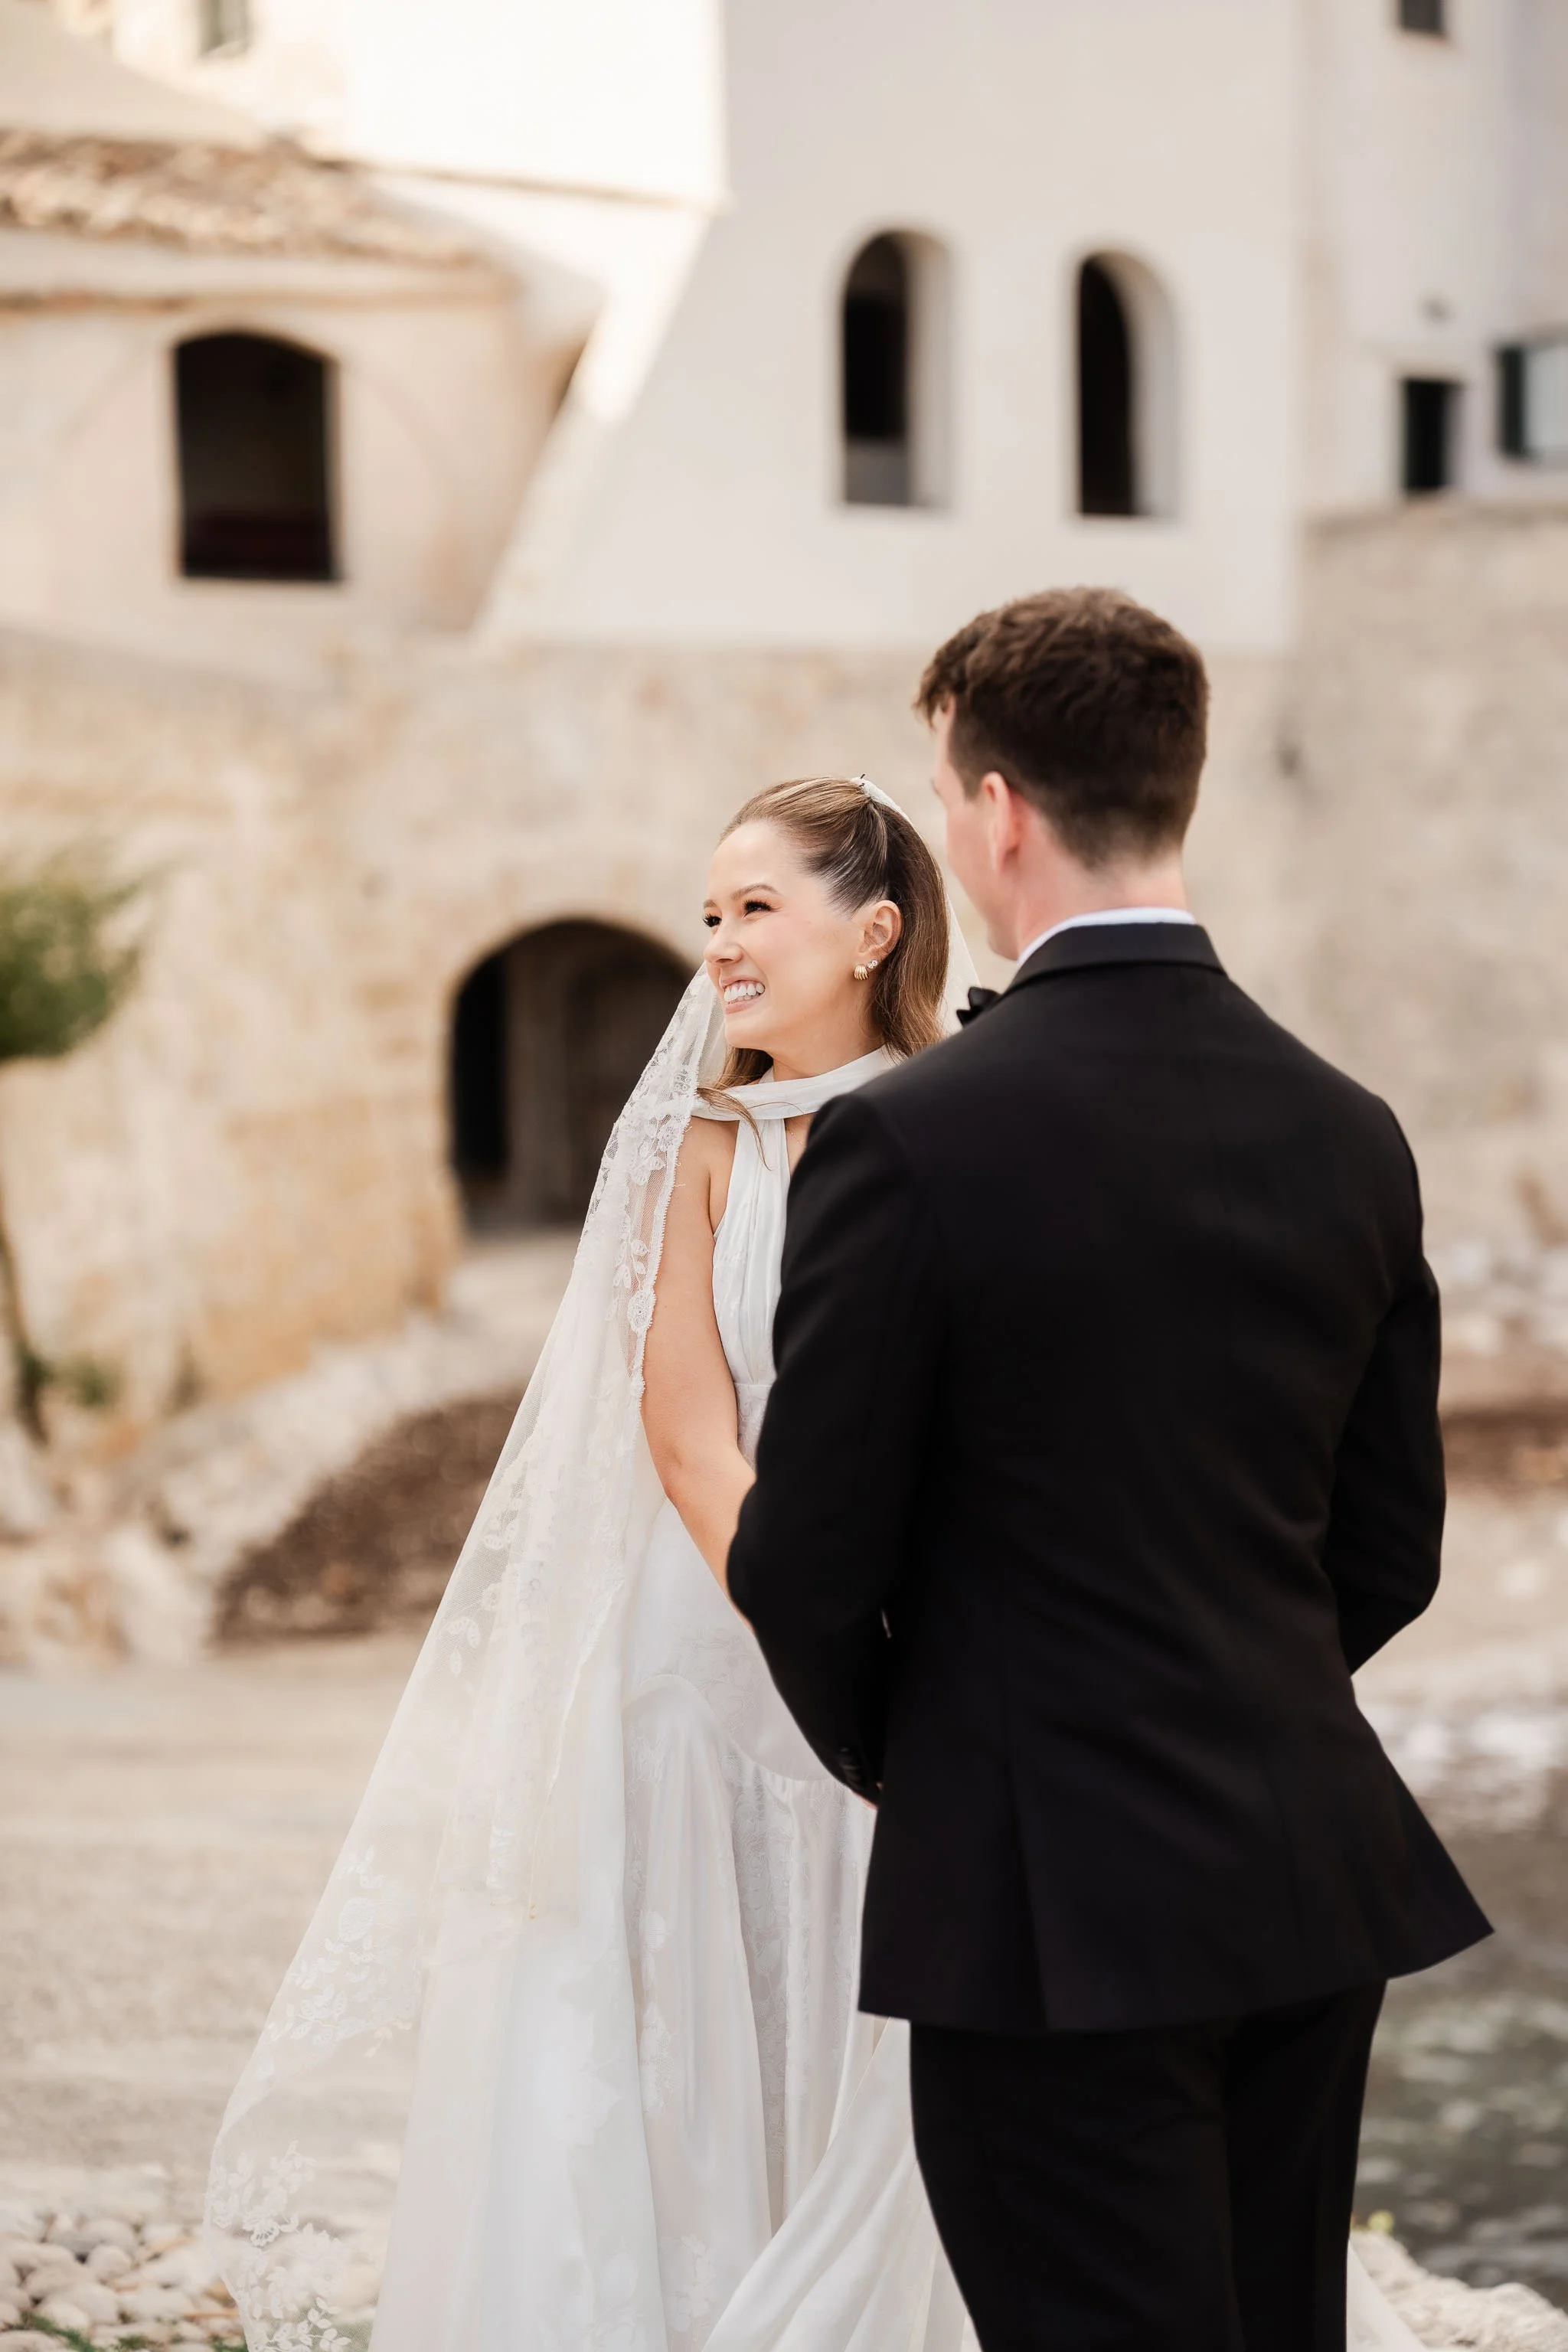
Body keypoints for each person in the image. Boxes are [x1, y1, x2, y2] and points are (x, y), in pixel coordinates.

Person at [727, 588, 1492, 2352]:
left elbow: (806, 1561)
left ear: (992, 809)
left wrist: (940, 1754)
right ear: (1179, 785)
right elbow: (1390, 1546)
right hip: (1302, 1870)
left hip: (1039, 1899)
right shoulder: (1348, 1128)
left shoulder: (904, 1142)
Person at [207, 776, 979, 2352]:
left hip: (922, 1669)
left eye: (755, 908)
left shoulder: (967, 1132)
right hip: (707, 1661)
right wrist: (823, 1654)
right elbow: (687, 1434)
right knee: (688, 2022)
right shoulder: (697, 1152)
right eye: (710, 917)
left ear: (872, 929)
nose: (721, 947)